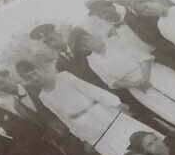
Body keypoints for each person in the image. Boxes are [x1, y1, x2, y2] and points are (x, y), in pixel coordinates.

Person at [24, 61, 155, 155]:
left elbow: (91, 90)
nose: (34, 78)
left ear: (41, 69)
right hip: (87, 129)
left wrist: (115, 103)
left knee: (135, 141)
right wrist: (84, 139)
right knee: (120, 154)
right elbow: (64, 119)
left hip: (102, 113)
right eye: (29, 78)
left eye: (34, 73)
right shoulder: (43, 96)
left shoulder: (64, 77)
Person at [29, 23, 167, 132]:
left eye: (52, 38)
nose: (52, 43)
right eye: (47, 42)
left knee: (152, 113)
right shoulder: (60, 66)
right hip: (104, 100)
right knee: (136, 125)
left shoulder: (82, 45)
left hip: (123, 87)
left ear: (58, 34)